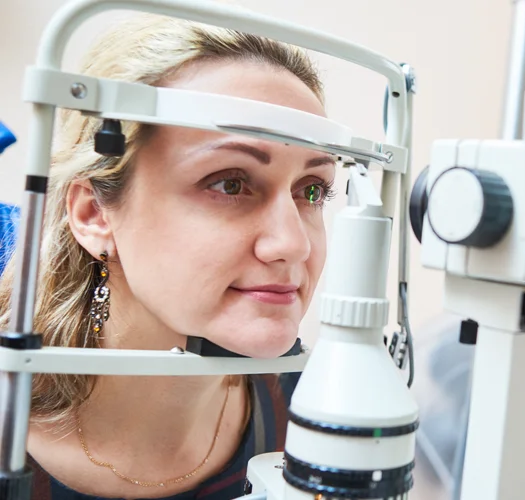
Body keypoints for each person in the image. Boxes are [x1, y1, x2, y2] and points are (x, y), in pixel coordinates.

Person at [1, 12, 337, 499]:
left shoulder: (309, 412)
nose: (293, 244)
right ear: (95, 214)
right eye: (230, 183)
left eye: (312, 190)